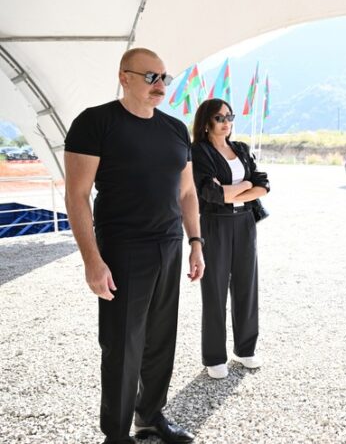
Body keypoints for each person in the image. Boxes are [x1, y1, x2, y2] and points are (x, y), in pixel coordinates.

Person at [64, 47, 204, 444]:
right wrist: (92, 261)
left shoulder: (175, 129)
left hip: (169, 244)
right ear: (124, 77)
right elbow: (77, 195)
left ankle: (150, 417)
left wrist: (196, 242)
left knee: (160, 339)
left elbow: (187, 192)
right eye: (151, 77)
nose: (160, 85)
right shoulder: (95, 123)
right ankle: (116, 434)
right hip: (123, 248)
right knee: (122, 344)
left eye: (164, 77)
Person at [190, 99, 269, 379]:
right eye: (219, 118)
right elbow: (210, 194)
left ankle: (246, 349)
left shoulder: (241, 149)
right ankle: (214, 356)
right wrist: (245, 185)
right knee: (215, 288)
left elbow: (263, 184)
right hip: (215, 224)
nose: (227, 122)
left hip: (245, 221)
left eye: (229, 117)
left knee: (247, 285)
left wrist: (235, 190)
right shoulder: (198, 152)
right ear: (206, 123)